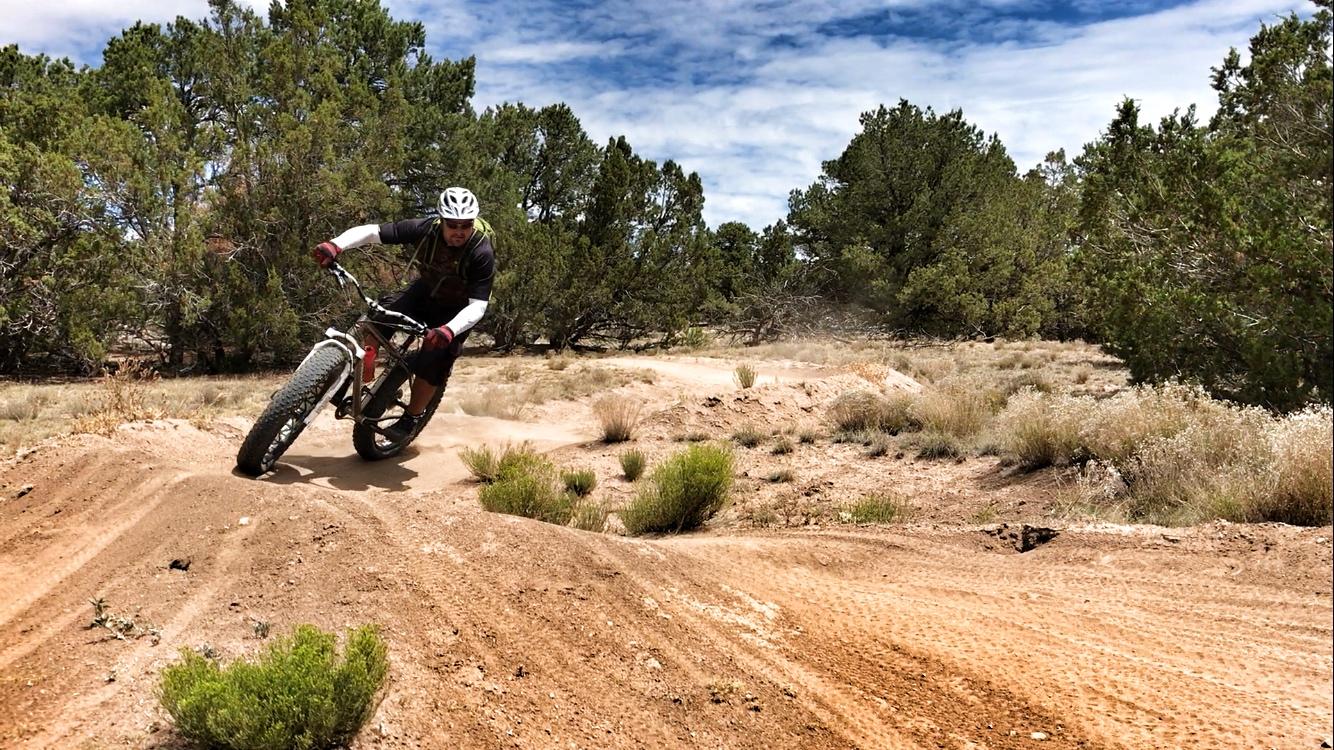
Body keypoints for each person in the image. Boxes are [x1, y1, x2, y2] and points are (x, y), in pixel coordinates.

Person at [311, 187, 495, 442]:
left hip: (457, 310)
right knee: (376, 318)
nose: (459, 231)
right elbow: (373, 232)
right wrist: (335, 245)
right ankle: (361, 374)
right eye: (453, 225)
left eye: (466, 225)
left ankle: (412, 418)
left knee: (435, 359)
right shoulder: (424, 228)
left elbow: (478, 305)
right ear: (441, 220)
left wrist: (448, 331)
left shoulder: (481, 251)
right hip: (425, 291)